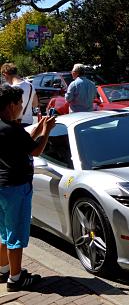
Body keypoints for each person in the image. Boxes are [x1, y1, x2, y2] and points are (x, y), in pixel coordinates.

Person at [0, 85, 56, 291]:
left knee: (4, 231)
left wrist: (38, 130)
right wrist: (47, 131)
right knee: (16, 235)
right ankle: (16, 279)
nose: (22, 107)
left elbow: (23, 143)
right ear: (11, 104)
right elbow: (36, 151)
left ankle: (4, 268)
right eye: (20, 103)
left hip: (1, 186)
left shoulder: (6, 127)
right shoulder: (12, 129)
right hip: (16, 186)